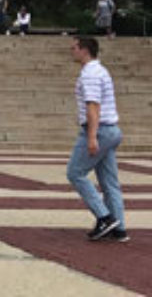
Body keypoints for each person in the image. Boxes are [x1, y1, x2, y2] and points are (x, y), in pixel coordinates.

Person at [66, 36, 126, 242]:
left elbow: (93, 106)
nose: (71, 51)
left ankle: (105, 217)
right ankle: (119, 228)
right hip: (111, 130)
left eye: (74, 47)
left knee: (75, 173)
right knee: (109, 181)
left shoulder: (90, 74)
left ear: (84, 50)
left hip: (99, 130)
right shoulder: (100, 70)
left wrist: (91, 137)